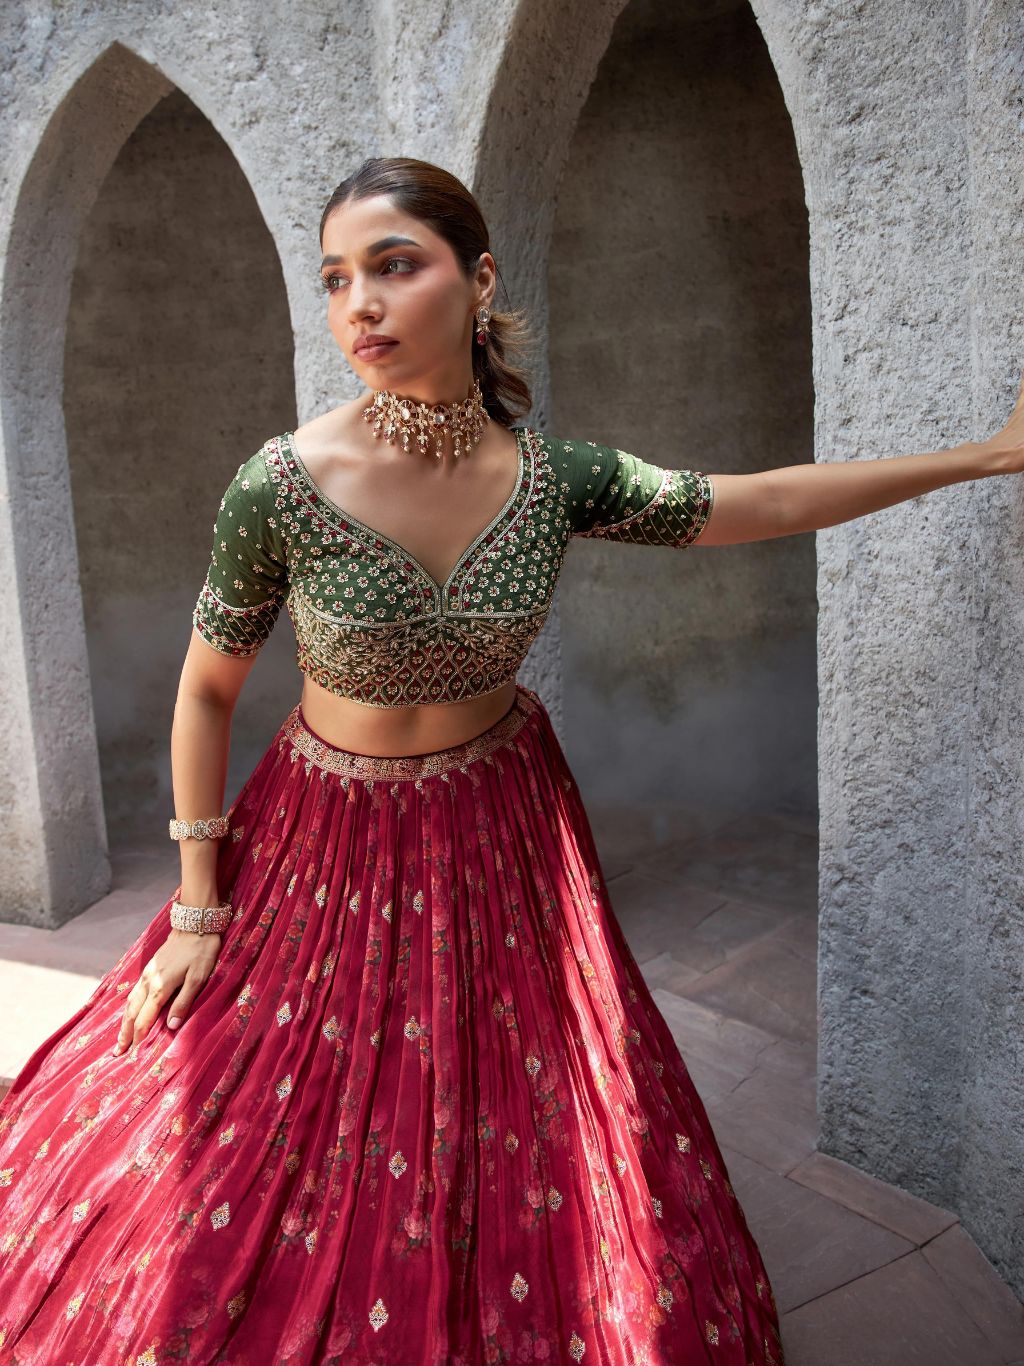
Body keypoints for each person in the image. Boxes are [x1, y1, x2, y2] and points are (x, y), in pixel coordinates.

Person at [0, 155, 1021, 1366]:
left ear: (477, 280)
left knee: (512, 1103)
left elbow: (767, 499)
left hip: (503, 820)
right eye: (335, 279)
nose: (358, 306)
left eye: (394, 265)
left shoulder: (553, 481)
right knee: (260, 1117)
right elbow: (205, 692)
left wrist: (984, 458)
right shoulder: (280, 486)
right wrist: (196, 903)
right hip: (326, 834)